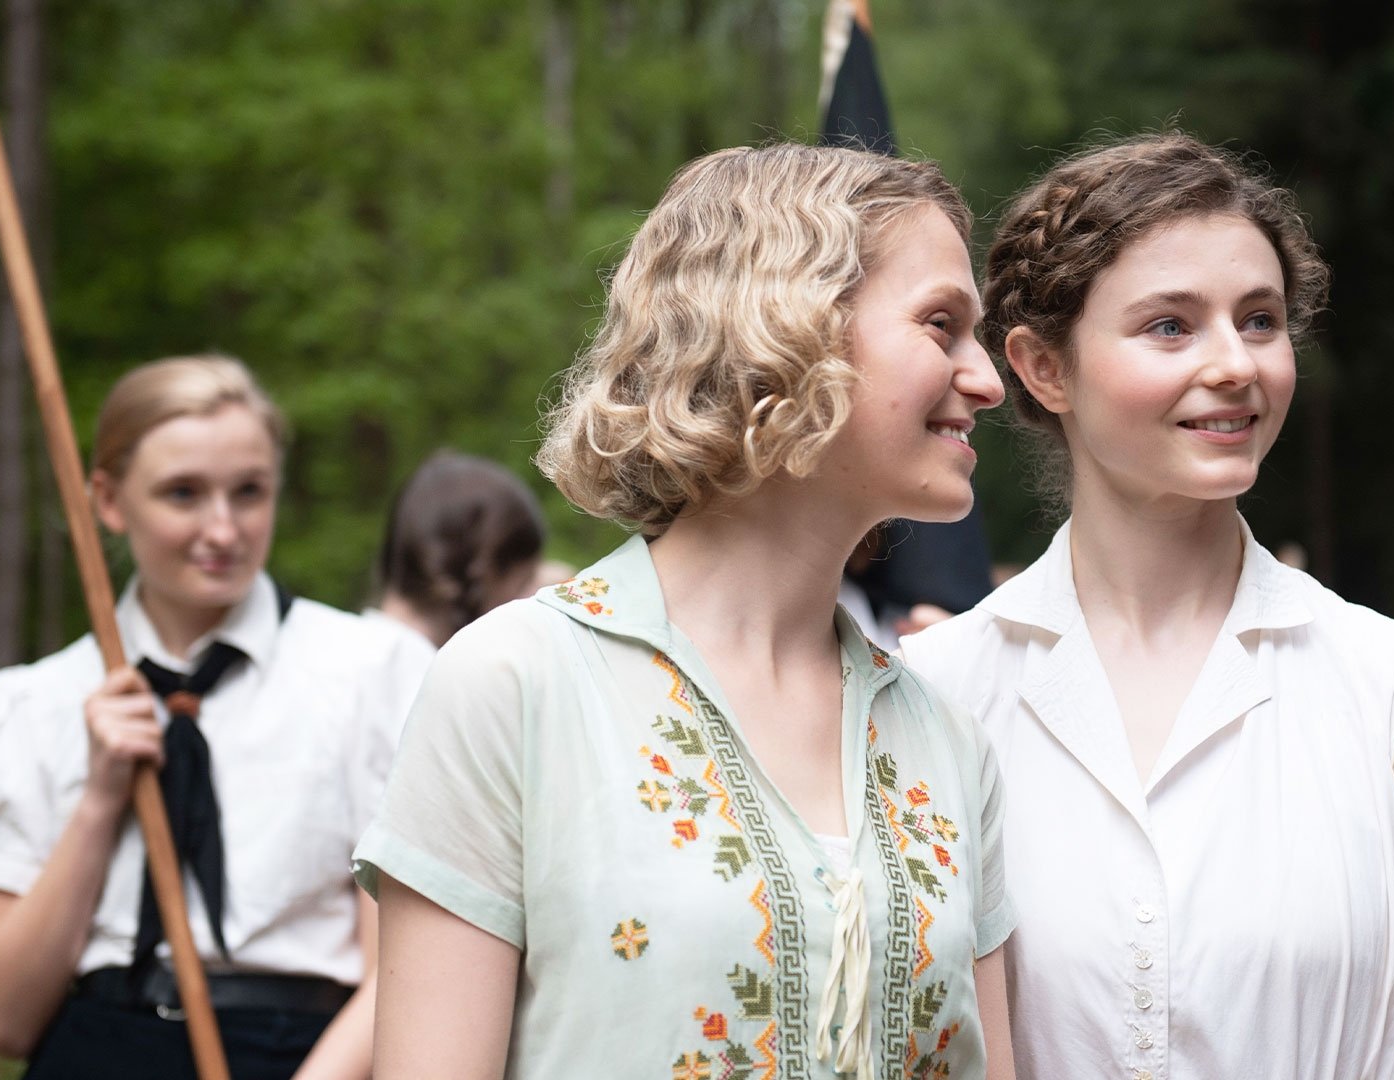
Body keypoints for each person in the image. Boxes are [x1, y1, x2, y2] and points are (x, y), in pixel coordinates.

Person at [352, 143, 1017, 1079]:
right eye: (941, 325)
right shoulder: (517, 684)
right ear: (783, 328)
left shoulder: (946, 741)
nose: (988, 379)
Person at [898, 133, 1394, 1080]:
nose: (1236, 364)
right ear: (1043, 368)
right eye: (1170, 326)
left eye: (1260, 320)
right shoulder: (930, 699)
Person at [0, 355, 433, 1079]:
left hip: (301, 1054)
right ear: (109, 501)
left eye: (249, 492)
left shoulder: (376, 673)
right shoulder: (28, 706)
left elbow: (402, 970)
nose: (223, 530)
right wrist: (99, 801)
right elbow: (4, 1020)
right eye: (183, 494)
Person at [371, 449, 547, 647]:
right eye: (524, 583)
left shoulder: (356, 647)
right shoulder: (426, 665)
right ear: (484, 571)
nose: (532, 596)